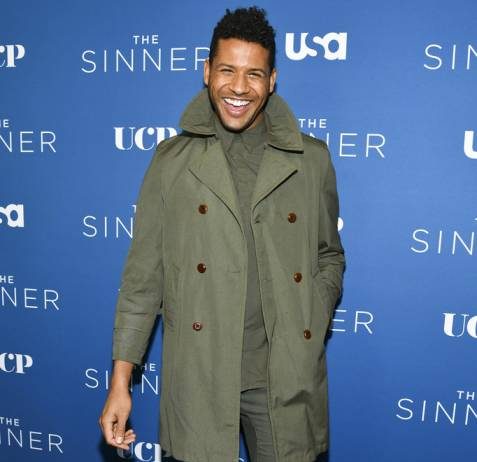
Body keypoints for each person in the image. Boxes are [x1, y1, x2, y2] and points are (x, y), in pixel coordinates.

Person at [99, 6, 345, 462]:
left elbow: (328, 254)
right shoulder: (171, 162)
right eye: (228, 70)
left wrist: (311, 311)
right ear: (207, 71)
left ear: (272, 81)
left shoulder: (311, 161)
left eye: (254, 74)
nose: (239, 87)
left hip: (284, 375)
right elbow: (142, 280)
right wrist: (120, 384)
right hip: (200, 373)